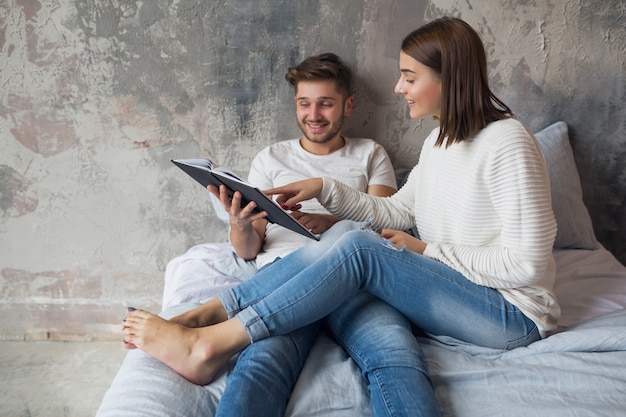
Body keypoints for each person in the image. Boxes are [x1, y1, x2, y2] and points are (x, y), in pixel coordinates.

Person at [122, 17, 560, 416]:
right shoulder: (439, 144)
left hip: (509, 316)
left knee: (358, 247)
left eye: (409, 77)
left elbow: (528, 265)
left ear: (450, 79)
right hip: (452, 292)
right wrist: (323, 189)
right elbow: (397, 210)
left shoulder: (508, 141)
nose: (398, 88)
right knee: (352, 239)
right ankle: (207, 320)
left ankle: (212, 334)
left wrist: (428, 250)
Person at [125, 53, 429, 417]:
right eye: (304, 104)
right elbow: (248, 249)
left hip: (357, 280)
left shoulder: (370, 154)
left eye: (326, 104)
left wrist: (332, 224)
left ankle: (205, 321)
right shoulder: (271, 158)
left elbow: (382, 225)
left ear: (347, 105)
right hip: (285, 276)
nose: (313, 115)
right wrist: (239, 223)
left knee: (396, 354)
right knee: (260, 365)